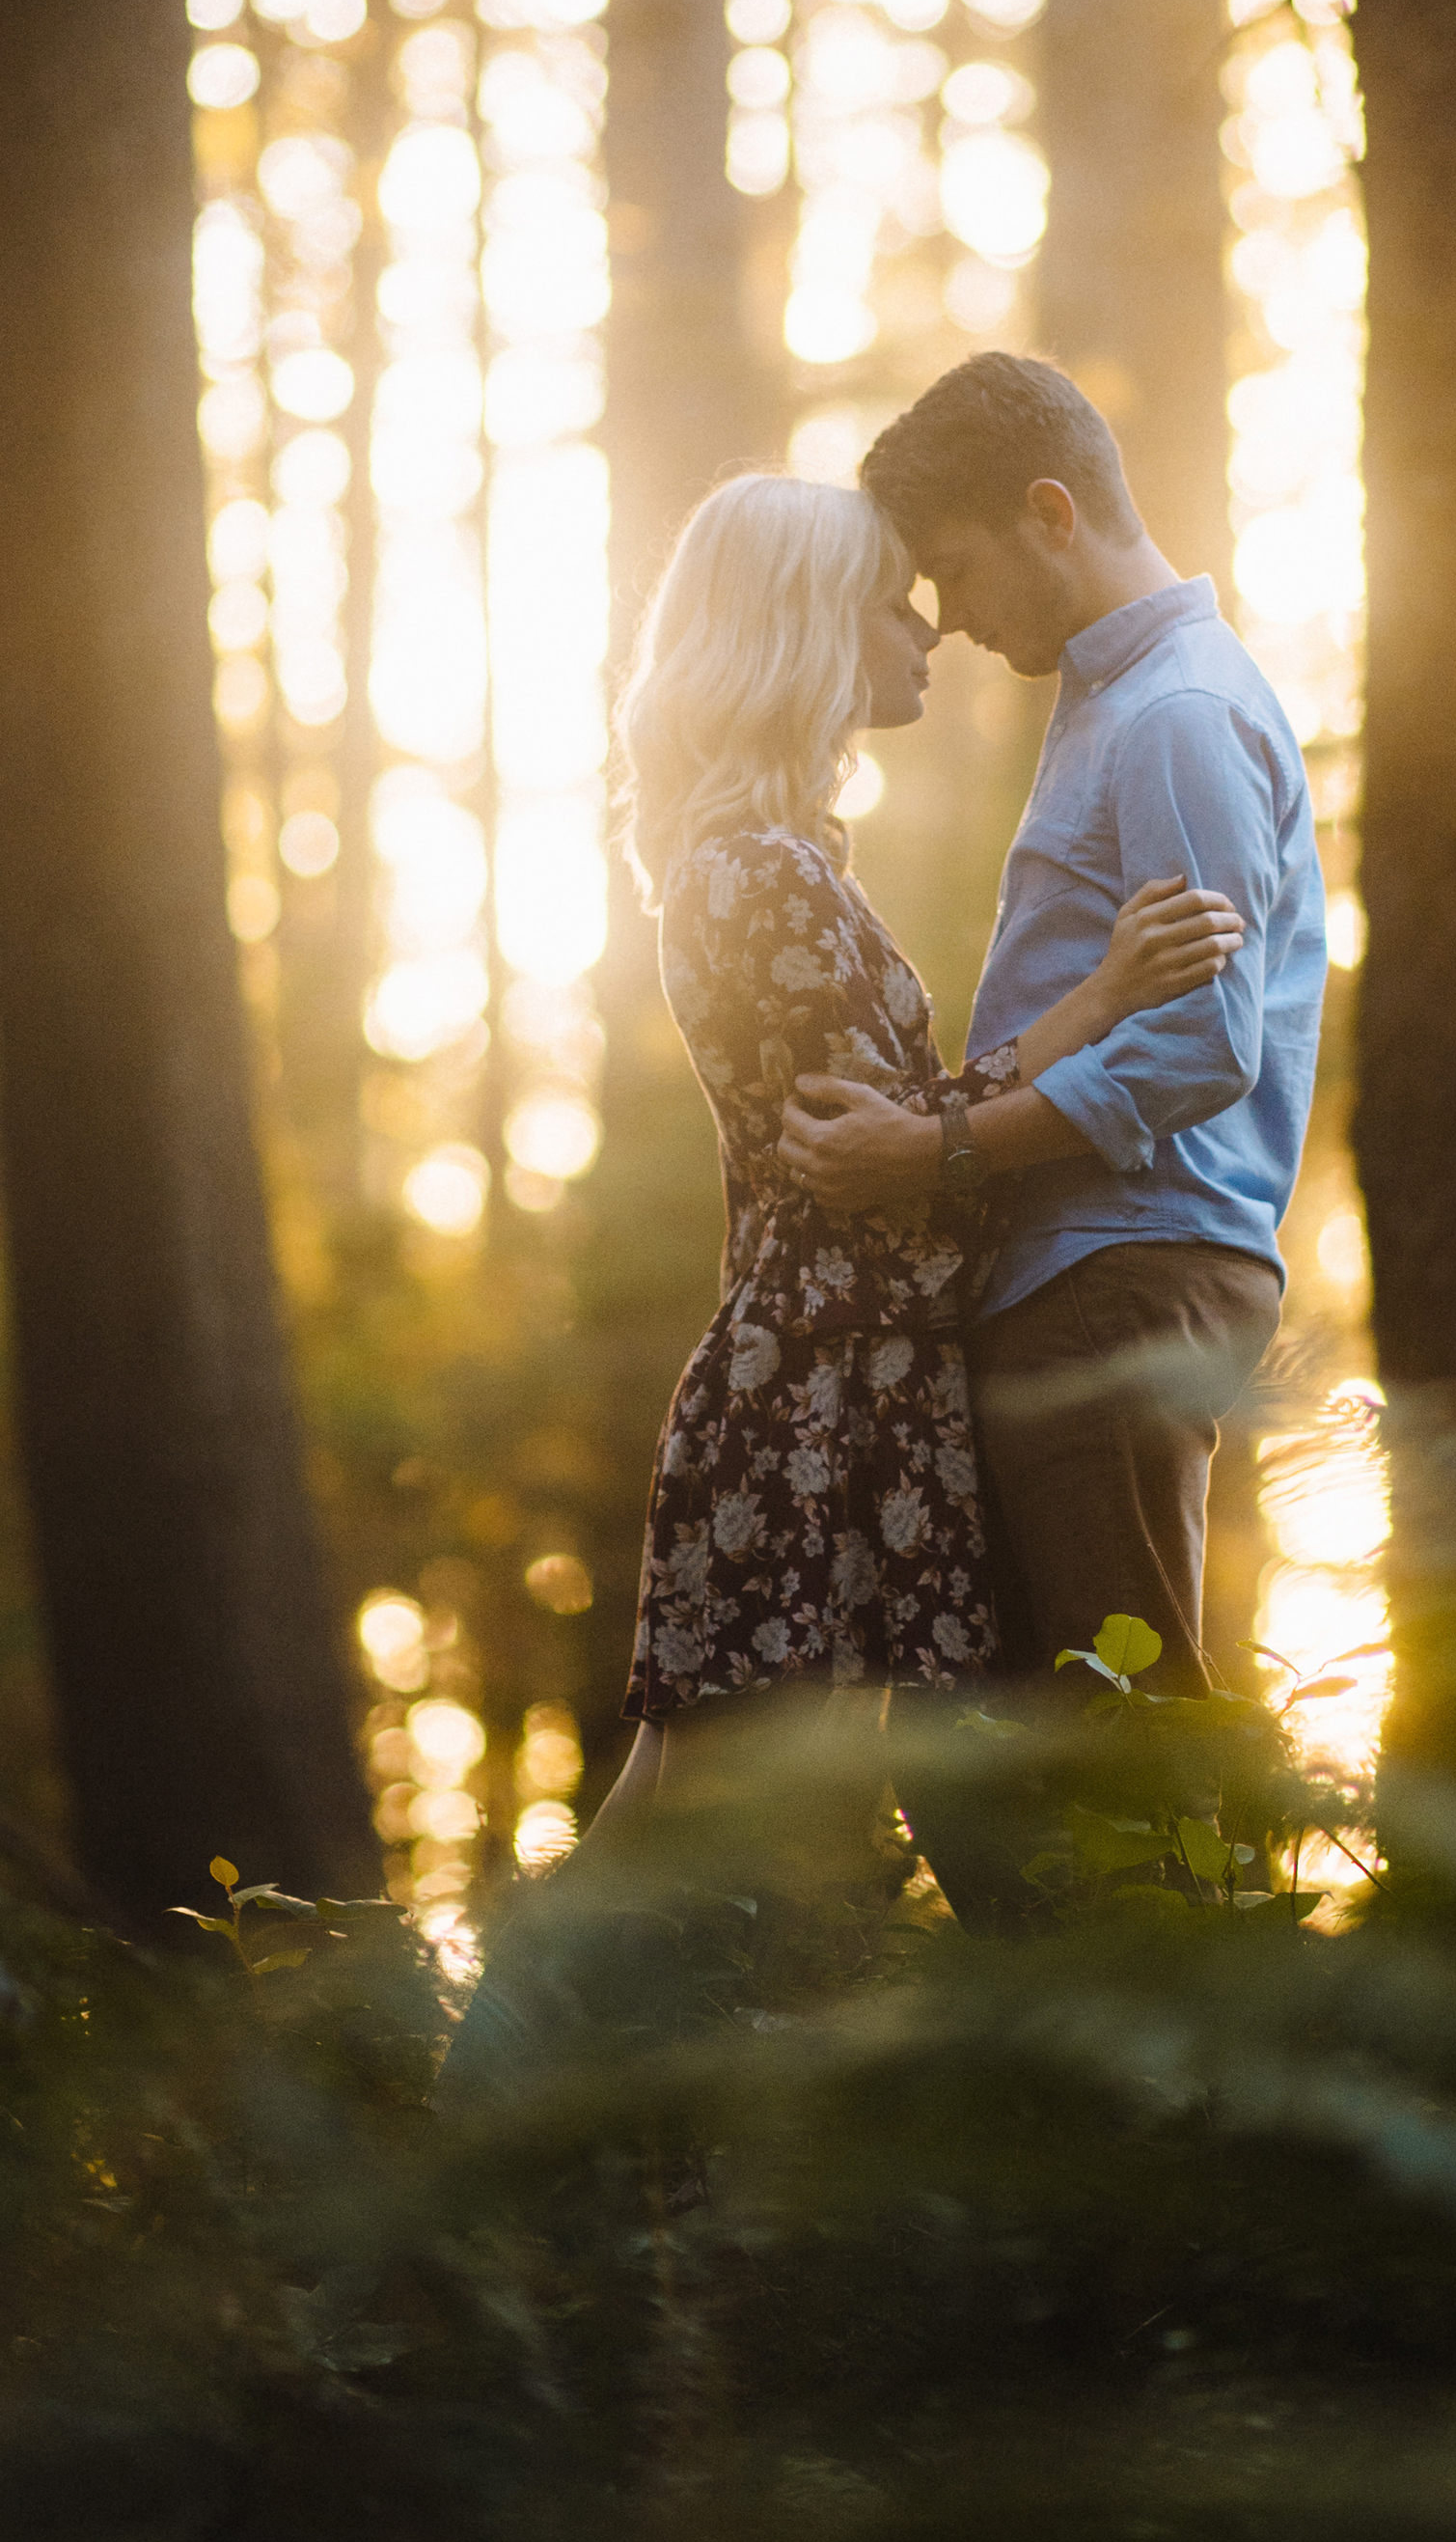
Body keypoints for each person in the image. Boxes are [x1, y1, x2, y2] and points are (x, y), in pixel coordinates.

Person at [482, 472, 1244, 1873]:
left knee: (727, 1842)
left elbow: (896, 1134)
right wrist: (1102, 1000)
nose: (926, 629)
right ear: (808, 628)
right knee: (687, 1840)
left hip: (856, 1396)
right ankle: (476, 2095)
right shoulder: (753, 872)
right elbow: (885, 1168)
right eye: (893, 600)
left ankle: (513, 2090)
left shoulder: (775, 860)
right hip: (806, 1403)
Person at [779, 353, 1328, 1698]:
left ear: (1051, 513)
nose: (949, 616)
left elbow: (1204, 1044)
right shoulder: (1112, 699)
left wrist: (930, 1153)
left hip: (1127, 1275)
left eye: (957, 570)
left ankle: (1205, 1919)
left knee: (1122, 1740)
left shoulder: (1175, 714)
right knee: (1012, 1748)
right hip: (1081, 1277)